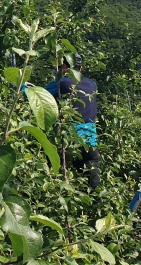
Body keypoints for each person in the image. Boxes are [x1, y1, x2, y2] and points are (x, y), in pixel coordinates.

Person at [46, 53, 100, 190]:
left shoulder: (61, 83)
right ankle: (96, 202)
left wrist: (20, 86)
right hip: (89, 133)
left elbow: (37, 96)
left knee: (55, 166)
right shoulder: (92, 84)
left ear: (65, 66)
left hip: (69, 134)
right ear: (80, 68)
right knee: (91, 167)